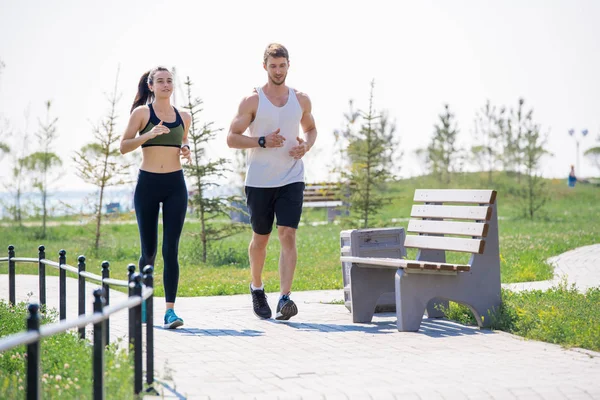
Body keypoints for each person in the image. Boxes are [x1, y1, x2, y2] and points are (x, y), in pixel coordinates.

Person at [227, 43, 318, 321]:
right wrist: (261, 141)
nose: (278, 71)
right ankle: (257, 288)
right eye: (273, 66)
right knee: (261, 238)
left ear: (289, 65)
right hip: (259, 180)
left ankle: (285, 298)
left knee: (287, 234)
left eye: (282, 65)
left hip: (292, 176)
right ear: (264, 67)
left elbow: (311, 129)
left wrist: (306, 147)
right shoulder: (252, 100)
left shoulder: (301, 99)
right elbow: (232, 137)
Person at [120, 66, 192, 329]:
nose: (165, 84)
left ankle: (170, 312)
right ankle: (143, 305)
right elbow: (123, 146)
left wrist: (185, 150)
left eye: (169, 81)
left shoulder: (184, 116)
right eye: (160, 81)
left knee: (170, 249)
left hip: (175, 185)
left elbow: (183, 142)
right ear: (151, 86)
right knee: (148, 251)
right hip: (148, 185)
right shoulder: (142, 113)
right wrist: (149, 135)